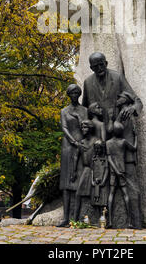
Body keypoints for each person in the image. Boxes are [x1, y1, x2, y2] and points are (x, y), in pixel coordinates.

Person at [82, 52, 142, 137]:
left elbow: (137, 101)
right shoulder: (87, 82)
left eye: (101, 64)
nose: (99, 68)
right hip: (100, 130)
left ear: (106, 63)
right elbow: (84, 108)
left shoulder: (117, 77)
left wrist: (132, 108)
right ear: (91, 68)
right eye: (95, 66)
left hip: (119, 127)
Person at [58, 84, 88, 227]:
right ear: (69, 95)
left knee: (78, 183)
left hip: (81, 145)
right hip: (68, 147)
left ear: (79, 94)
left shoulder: (85, 110)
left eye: (77, 93)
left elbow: (87, 126)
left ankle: (76, 217)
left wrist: (80, 142)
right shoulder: (64, 111)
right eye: (72, 93)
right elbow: (64, 127)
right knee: (66, 184)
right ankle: (65, 218)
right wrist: (73, 141)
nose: (75, 95)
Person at [106, 121, 137, 229]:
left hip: (114, 172)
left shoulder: (108, 143)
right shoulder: (123, 142)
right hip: (121, 171)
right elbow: (134, 148)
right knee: (125, 194)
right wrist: (135, 136)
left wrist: (115, 171)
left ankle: (109, 221)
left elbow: (109, 159)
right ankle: (129, 222)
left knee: (111, 194)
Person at [73, 120, 98, 222]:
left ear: (90, 128)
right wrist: (74, 171)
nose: (83, 129)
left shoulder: (96, 141)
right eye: (82, 127)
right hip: (85, 169)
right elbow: (76, 156)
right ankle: (75, 219)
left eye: (85, 127)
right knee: (78, 194)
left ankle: (96, 218)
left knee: (95, 194)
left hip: (94, 170)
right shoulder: (82, 143)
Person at [91, 140, 109, 211]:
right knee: (95, 201)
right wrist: (92, 180)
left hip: (103, 182)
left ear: (102, 148)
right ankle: (98, 218)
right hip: (95, 182)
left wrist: (104, 181)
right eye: (95, 148)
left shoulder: (105, 159)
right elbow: (92, 170)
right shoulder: (94, 158)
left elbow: (107, 170)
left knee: (103, 201)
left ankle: (103, 217)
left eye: (98, 148)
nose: (97, 150)